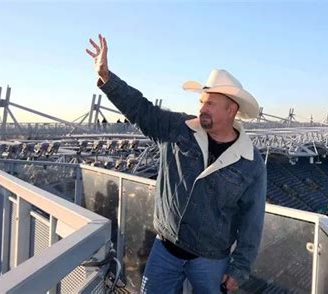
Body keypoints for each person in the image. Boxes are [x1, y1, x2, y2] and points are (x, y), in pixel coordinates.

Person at [86, 34, 266, 293]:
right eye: (202, 101)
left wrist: (239, 268)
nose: (202, 108)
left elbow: (252, 221)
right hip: (165, 250)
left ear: (231, 110)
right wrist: (106, 76)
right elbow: (140, 109)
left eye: (211, 104)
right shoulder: (177, 129)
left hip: (211, 261)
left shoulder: (251, 163)